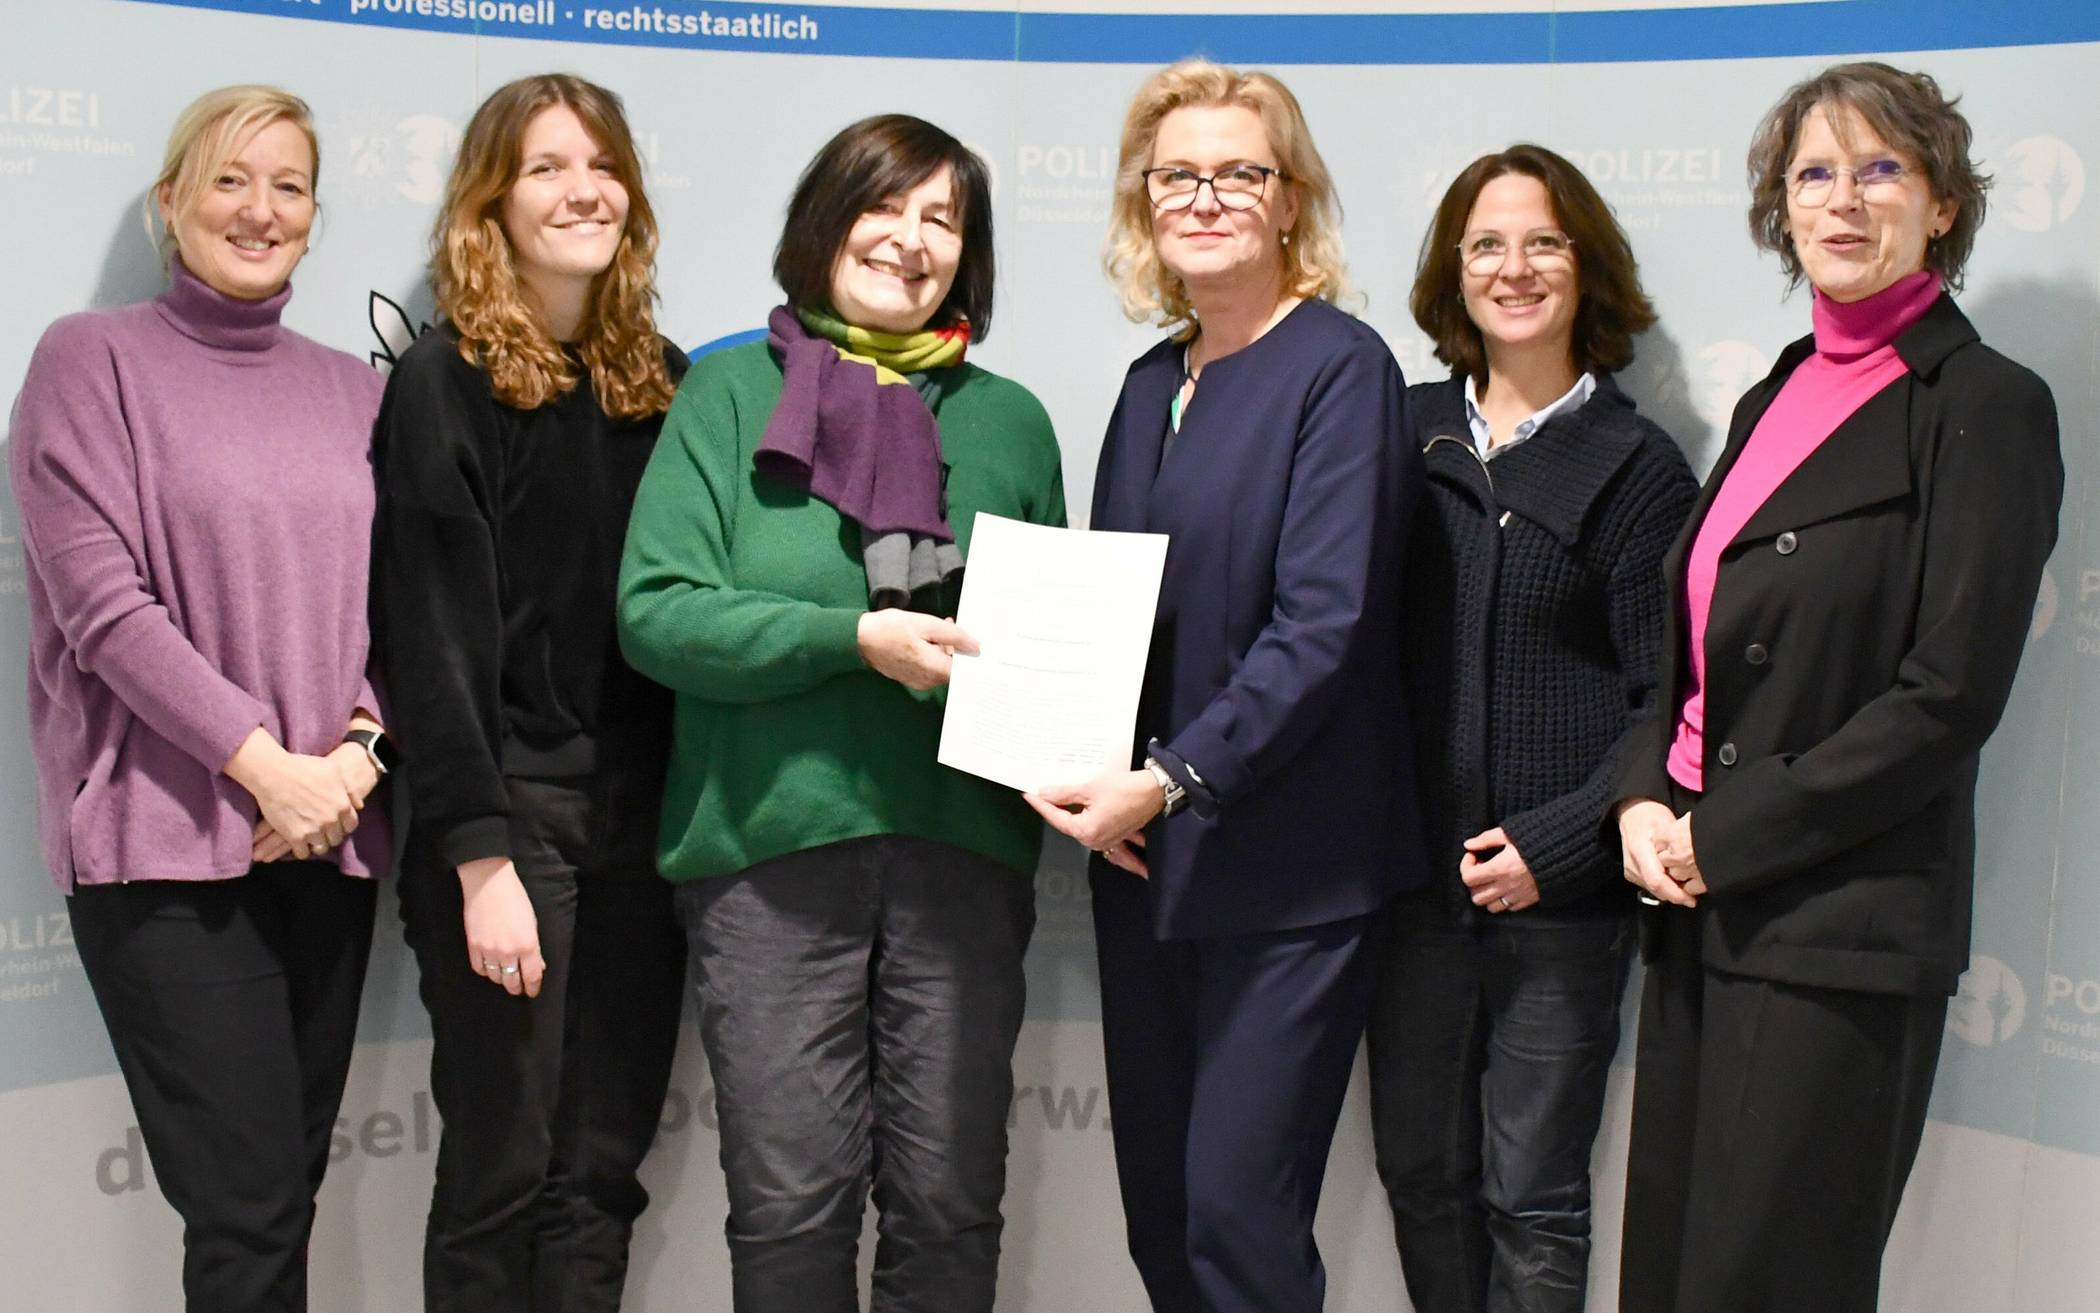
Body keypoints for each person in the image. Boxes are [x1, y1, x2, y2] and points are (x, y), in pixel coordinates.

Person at [1613, 61, 2062, 1313]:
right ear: (1782, 208)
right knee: (1669, 1280)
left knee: (1767, 1288)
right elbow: (1688, 641)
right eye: (1815, 173)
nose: (1844, 201)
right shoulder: (1774, 393)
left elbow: (1948, 697)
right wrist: (1647, 798)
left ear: (1943, 207)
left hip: (1835, 932)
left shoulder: (1985, 405)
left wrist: (1724, 837)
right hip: (1696, 907)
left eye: (1882, 170)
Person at [616, 114, 1065, 1313]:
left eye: (944, 219)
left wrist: (1090, 758)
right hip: (767, 860)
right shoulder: (723, 393)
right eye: (887, 206)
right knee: (791, 1208)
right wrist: (848, 639)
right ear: (827, 219)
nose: (911, 240)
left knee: (951, 1202)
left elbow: (1053, 650)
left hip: (963, 859)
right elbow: (656, 612)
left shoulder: (1011, 419)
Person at [1029, 59, 1421, 1313]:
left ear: (1291, 198)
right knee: (1162, 1221)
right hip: (1150, 868)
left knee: (1237, 1227)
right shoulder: (1152, 385)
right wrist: (1090, 763)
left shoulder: (1343, 369)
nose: (1205, 198)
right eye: (1177, 175)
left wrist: (1168, 779)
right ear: (1146, 203)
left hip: (1290, 872)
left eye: (1238, 173)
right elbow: (1114, 619)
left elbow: (1325, 625)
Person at [9, 85, 389, 1311]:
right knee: (249, 1214)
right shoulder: (89, 358)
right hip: (166, 849)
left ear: (316, 218)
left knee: (281, 1205)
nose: (258, 209)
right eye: (228, 178)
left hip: (327, 839)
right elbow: (102, 606)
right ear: (170, 201)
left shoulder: (361, 392)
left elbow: (405, 613)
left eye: (287, 185)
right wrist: (265, 763)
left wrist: (358, 758)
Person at [370, 73, 687, 1312]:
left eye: (602, 163)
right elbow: (430, 640)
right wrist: (480, 857)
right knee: (501, 1168)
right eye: (548, 166)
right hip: (507, 832)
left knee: (601, 1173)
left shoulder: (657, 381)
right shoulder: (444, 382)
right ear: (491, 201)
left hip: (640, 837)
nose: (582, 189)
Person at [1362, 144, 1697, 1313]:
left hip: (1562, 907)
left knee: (1533, 1196)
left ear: (1585, 265)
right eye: (1487, 244)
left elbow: (1665, 699)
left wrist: (1556, 849)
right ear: (1454, 273)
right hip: (1410, 895)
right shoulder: (1393, 434)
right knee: (1420, 1172)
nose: (1515, 268)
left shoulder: (1638, 466)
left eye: (1544, 241)